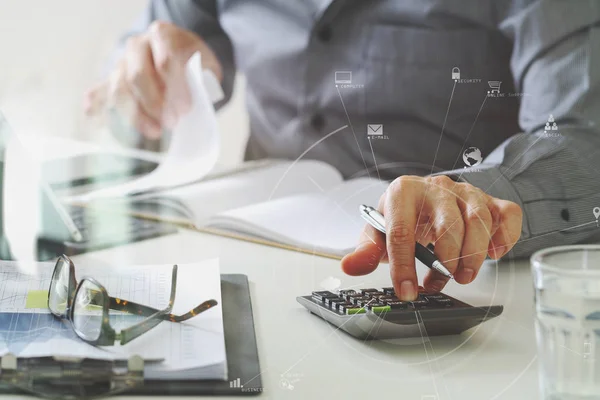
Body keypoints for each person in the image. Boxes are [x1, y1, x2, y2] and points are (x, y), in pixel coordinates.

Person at [85, 0, 600, 301]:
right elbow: (132, 92)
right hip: (245, 258)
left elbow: (583, 132)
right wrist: (138, 88)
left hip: (452, 283)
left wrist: (472, 198)